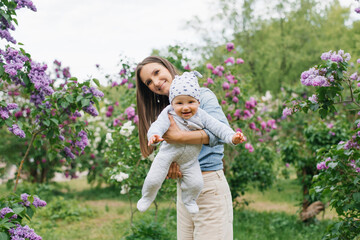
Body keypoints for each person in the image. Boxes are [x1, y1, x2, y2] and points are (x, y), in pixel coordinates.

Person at [136, 56, 236, 240]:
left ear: (167, 67)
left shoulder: (202, 95)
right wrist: (173, 166)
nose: (156, 82)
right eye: (148, 82)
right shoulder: (168, 110)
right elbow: (171, 149)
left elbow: (221, 132)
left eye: (157, 72)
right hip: (185, 190)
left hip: (209, 187)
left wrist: (180, 137)